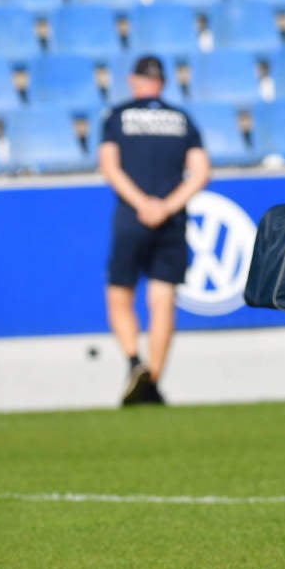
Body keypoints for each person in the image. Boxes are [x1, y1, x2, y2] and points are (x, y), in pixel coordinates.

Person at [98, 55, 211, 406]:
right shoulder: (182, 119)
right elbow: (201, 172)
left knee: (120, 294)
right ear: (163, 82)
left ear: (134, 81)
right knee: (162, 300)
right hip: (171, 220)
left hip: (133, 216)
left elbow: (110, 168)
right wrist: (166, 206)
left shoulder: (117, 116)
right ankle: (154, 381)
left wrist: (143, 204)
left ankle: (135, 361)